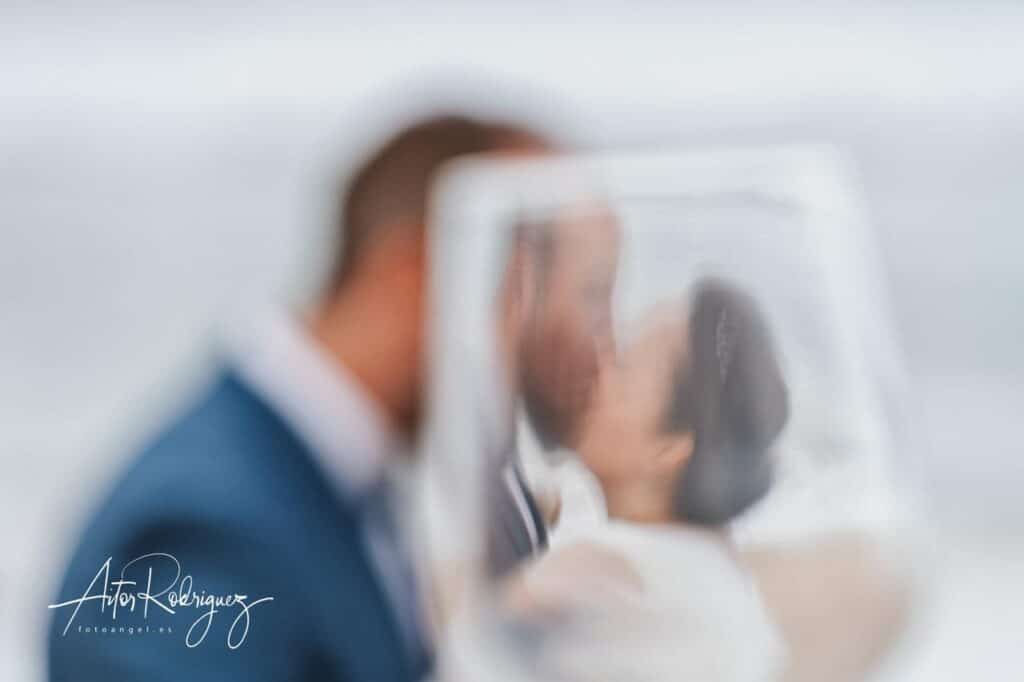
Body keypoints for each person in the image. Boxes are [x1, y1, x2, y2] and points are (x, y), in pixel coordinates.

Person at [47, 114, 551, 682]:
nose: (582, 352)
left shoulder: (330, 480)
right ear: (423, 275)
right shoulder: (199, 529)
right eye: (549, 295)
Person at [503, 278, 791, 681]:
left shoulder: (609, 565)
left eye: (623, 365)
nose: (597, 365)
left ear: (668, 448)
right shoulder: (713, 564)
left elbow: (454, 633)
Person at [486, 204, 620, 578]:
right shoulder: (461, 507)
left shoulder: (508, 474)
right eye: (594, 294)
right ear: (520, 284)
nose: (607, 342)